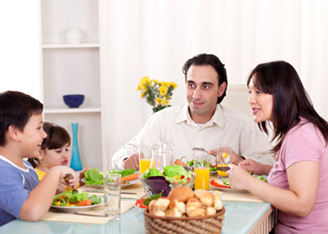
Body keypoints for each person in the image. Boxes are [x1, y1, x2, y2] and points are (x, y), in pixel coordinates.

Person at [112, 53, 276, 170]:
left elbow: (272, 164)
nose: (195, 95)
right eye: (191, 85)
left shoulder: (241, 124)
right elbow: (121, 156)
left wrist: (240, 160)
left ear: (221, 89)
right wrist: (126, 160)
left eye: (205, 86)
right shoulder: (162, 120)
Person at [227, 61, 328, 233]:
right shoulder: (303, 128)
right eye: (250, 92)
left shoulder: (300, 137)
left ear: (285, 94)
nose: (250, 99)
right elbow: (304, 176)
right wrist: (265, 169)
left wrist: (247, 182)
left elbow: (302, 205)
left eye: (258, 92)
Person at [0, 91, 79, 234]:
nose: (44, 135)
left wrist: (55, 190)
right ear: (15, 133)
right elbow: (31, 212)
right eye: (39, 128)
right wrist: (55, 171)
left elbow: (35, 200)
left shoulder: (27, 167)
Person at [28, 122, 89, 193]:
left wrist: (82, 180)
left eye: (66, 149)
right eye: (58, 151)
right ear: (40, 154)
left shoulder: (65, 174)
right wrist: (55, 193)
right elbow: (38, 200)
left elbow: (73, 191)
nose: (65, 155)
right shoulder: (35, 178)